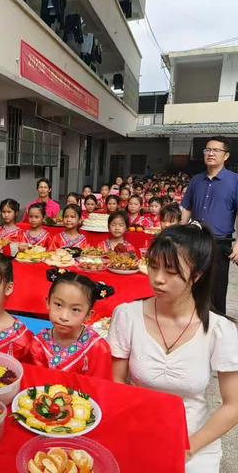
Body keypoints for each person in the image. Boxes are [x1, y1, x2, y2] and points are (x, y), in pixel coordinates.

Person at [108, 224, 238, 472]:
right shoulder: (127, 315)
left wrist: (187, 448)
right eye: (153, 266)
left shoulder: (220, 331)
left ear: (197, 275)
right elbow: (117, 383)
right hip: (137, 429)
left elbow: (233, 405)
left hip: (195, 440)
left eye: (171, 271)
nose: (157, 279)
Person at [181, 136, 238, 316]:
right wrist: (179, 235)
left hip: (220, 244)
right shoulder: (196, 180)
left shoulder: (235, 181)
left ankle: (217, 331)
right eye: (207, 150)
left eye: (215, 150)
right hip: (195, 241)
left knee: (216, 291)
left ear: (226, 156)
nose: (210, 153)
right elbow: (187, 209)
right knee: (192, 286)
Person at [30, 271, 113, 379]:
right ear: (48, 302)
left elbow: (101, 388)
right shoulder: (38, 344)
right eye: (58, 304)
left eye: (75, 309)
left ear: (88, 314)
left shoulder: (98, 348)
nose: (64, 317)